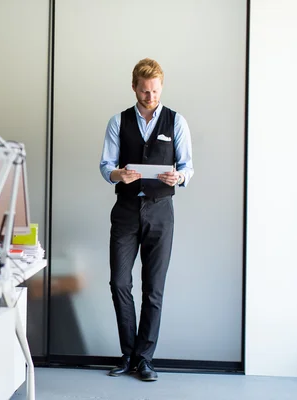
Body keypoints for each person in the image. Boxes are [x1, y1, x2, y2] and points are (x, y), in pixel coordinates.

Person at [99, 58, 193, 381]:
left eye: (154, 91)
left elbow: (188, 167)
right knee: (119, 282)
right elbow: (105, 166)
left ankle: (144, 358)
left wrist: (177, 178)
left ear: (161, 87)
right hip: (125, 210)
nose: (149, 96)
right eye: (143, 91)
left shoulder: (176, 122)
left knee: (154, 289)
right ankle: (128, 353)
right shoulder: (118, 121)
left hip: (160, 211)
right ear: (134, 87)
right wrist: (118, 174)